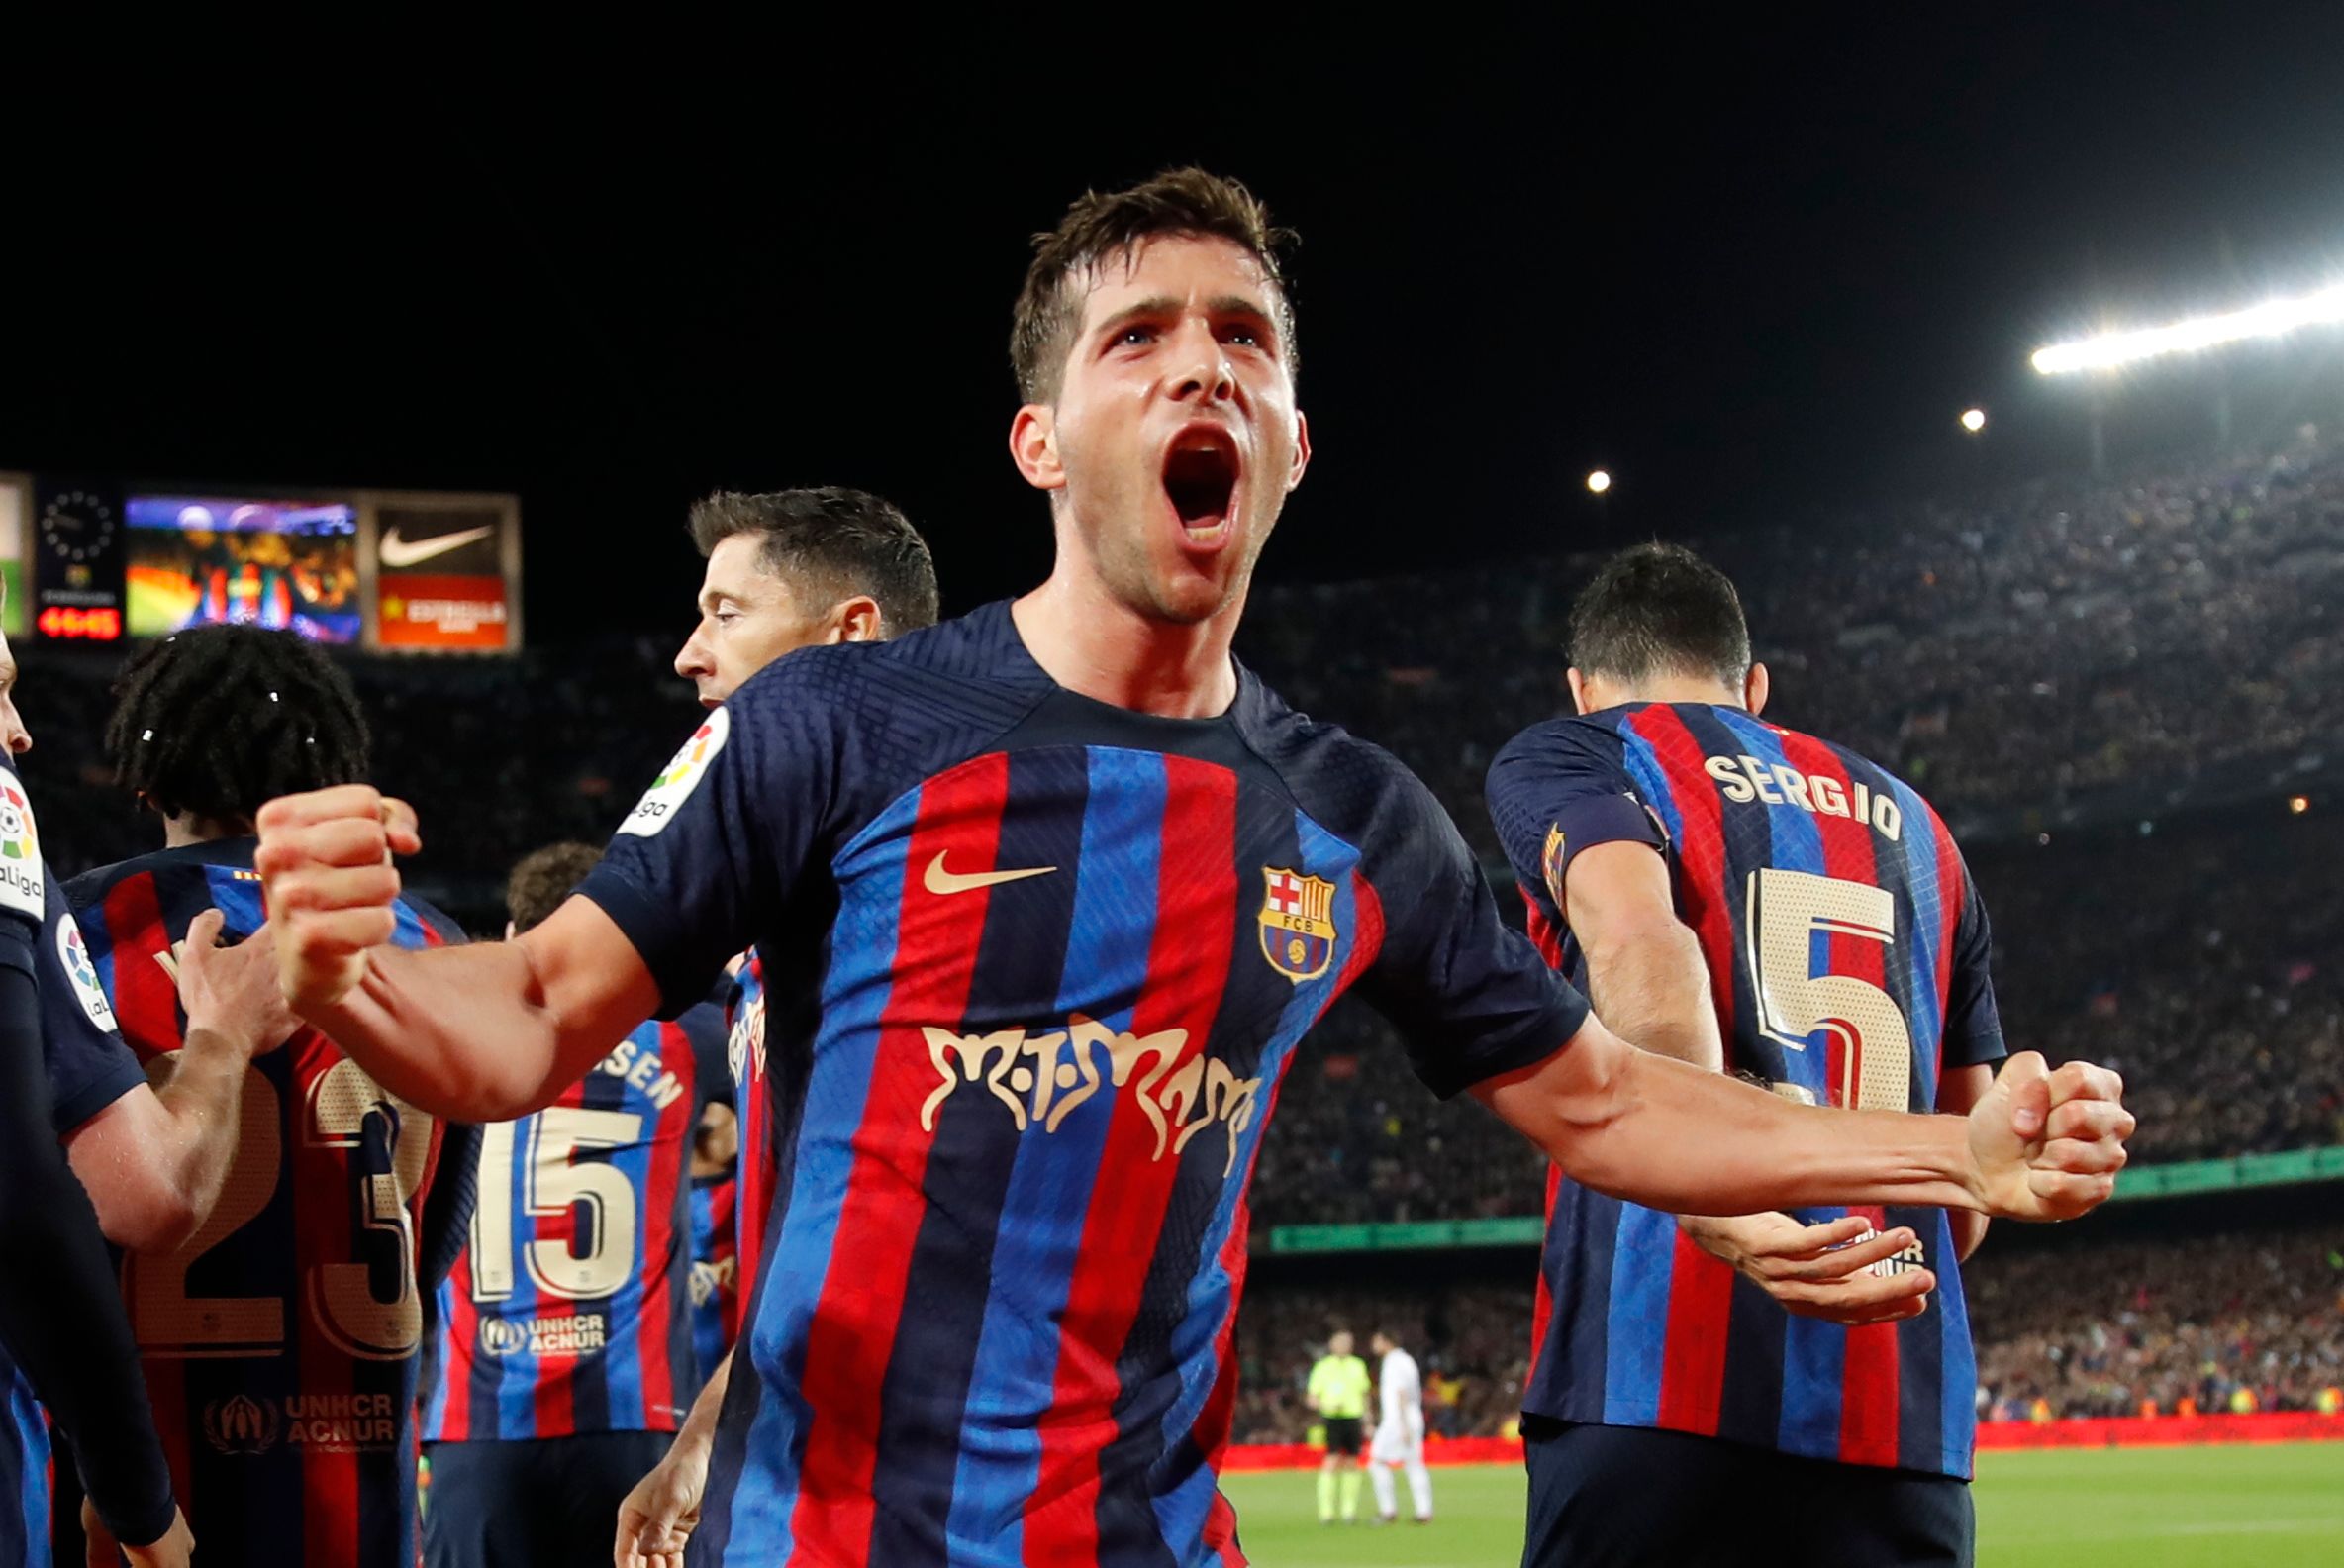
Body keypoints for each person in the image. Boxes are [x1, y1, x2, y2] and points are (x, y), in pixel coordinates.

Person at [253, 168, 2133, 1568]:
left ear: (1292, 442)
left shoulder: (1352, 813)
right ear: (1040, 436)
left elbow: (1607, 1100)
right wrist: (349, 969)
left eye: (1243, 337)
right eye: (1134, 338)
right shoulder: (838, 724)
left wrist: (1948, 1150)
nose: (1196, 367)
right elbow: (523, 1017)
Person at [1485, 542, 2016, 1567]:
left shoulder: (1581, 753)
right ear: (1755, 687)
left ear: (1583, 688)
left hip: (1651, 1393)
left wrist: (1718, 1199)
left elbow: (1639, 939)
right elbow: (1966, 1204)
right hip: (1896, 1421)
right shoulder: (1922, 828)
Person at [66, 625, 475, 1568]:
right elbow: (437, 1237)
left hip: (139, 1504)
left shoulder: (83, 932)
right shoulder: (437, 943)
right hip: (360, 1484)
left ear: (145, 779)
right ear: (327, 772)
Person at [612, 487, 940, 1563]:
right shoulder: (787, 921)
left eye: (725, 613)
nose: (689, 655)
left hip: (911, 1499)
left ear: (848, 637)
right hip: (784, 1467)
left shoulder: (947, 903)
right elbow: (814, 1244)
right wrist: (708, 1435)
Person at [421, 842, 729, 1568]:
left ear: (511, 938)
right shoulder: (687, 1042)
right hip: (631, 1418)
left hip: (477, 1426)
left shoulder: (448, 1041)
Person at [0, 609, 197, 1568]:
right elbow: (128, 1195)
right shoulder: (427, 940)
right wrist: (139, 1506)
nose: (20, 733)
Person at [1303, 1332, 1370, 1525]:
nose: (1343, 1346)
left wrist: (1368, 1418)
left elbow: (1364, 1393)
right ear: (1332, 1345)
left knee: (1352, 1461)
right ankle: (1327, 1512)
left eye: (1347, 1343)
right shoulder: (1323, 1367)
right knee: (1331, 1460)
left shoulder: (1357, 1365)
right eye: (1339, 1343)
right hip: (1333, 1418)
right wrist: (1327, 1405)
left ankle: (1349, 1510)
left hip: (1353, 1416)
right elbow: (1312, 1398)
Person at [1367, 1330, 1432, 1524]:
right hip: (1409, 1417)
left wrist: (1402, 1425)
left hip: (1398, 1420)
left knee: (1377, 1461)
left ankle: (1388, 1510)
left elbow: (1400, 1392)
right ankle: (1424, 1511)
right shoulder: (1405, 1360)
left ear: (1387, 1342)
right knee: (1414, 1463)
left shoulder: (1394, 1362)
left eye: (1377, 1340)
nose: (1373, 1344)